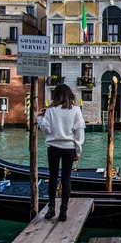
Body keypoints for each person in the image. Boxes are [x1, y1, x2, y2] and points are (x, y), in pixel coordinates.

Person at [37, 84, 85, 221]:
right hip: (69, 148)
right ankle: (63, 212)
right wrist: (78, 151)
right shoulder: (76, 110)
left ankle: (51, 209)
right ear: (70, 95)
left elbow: (45, 129)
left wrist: (39, 117)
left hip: (53, 147)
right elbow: (79, 134)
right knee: (66, 178)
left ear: (56, 96)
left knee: (53, 177)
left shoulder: (51, 111)